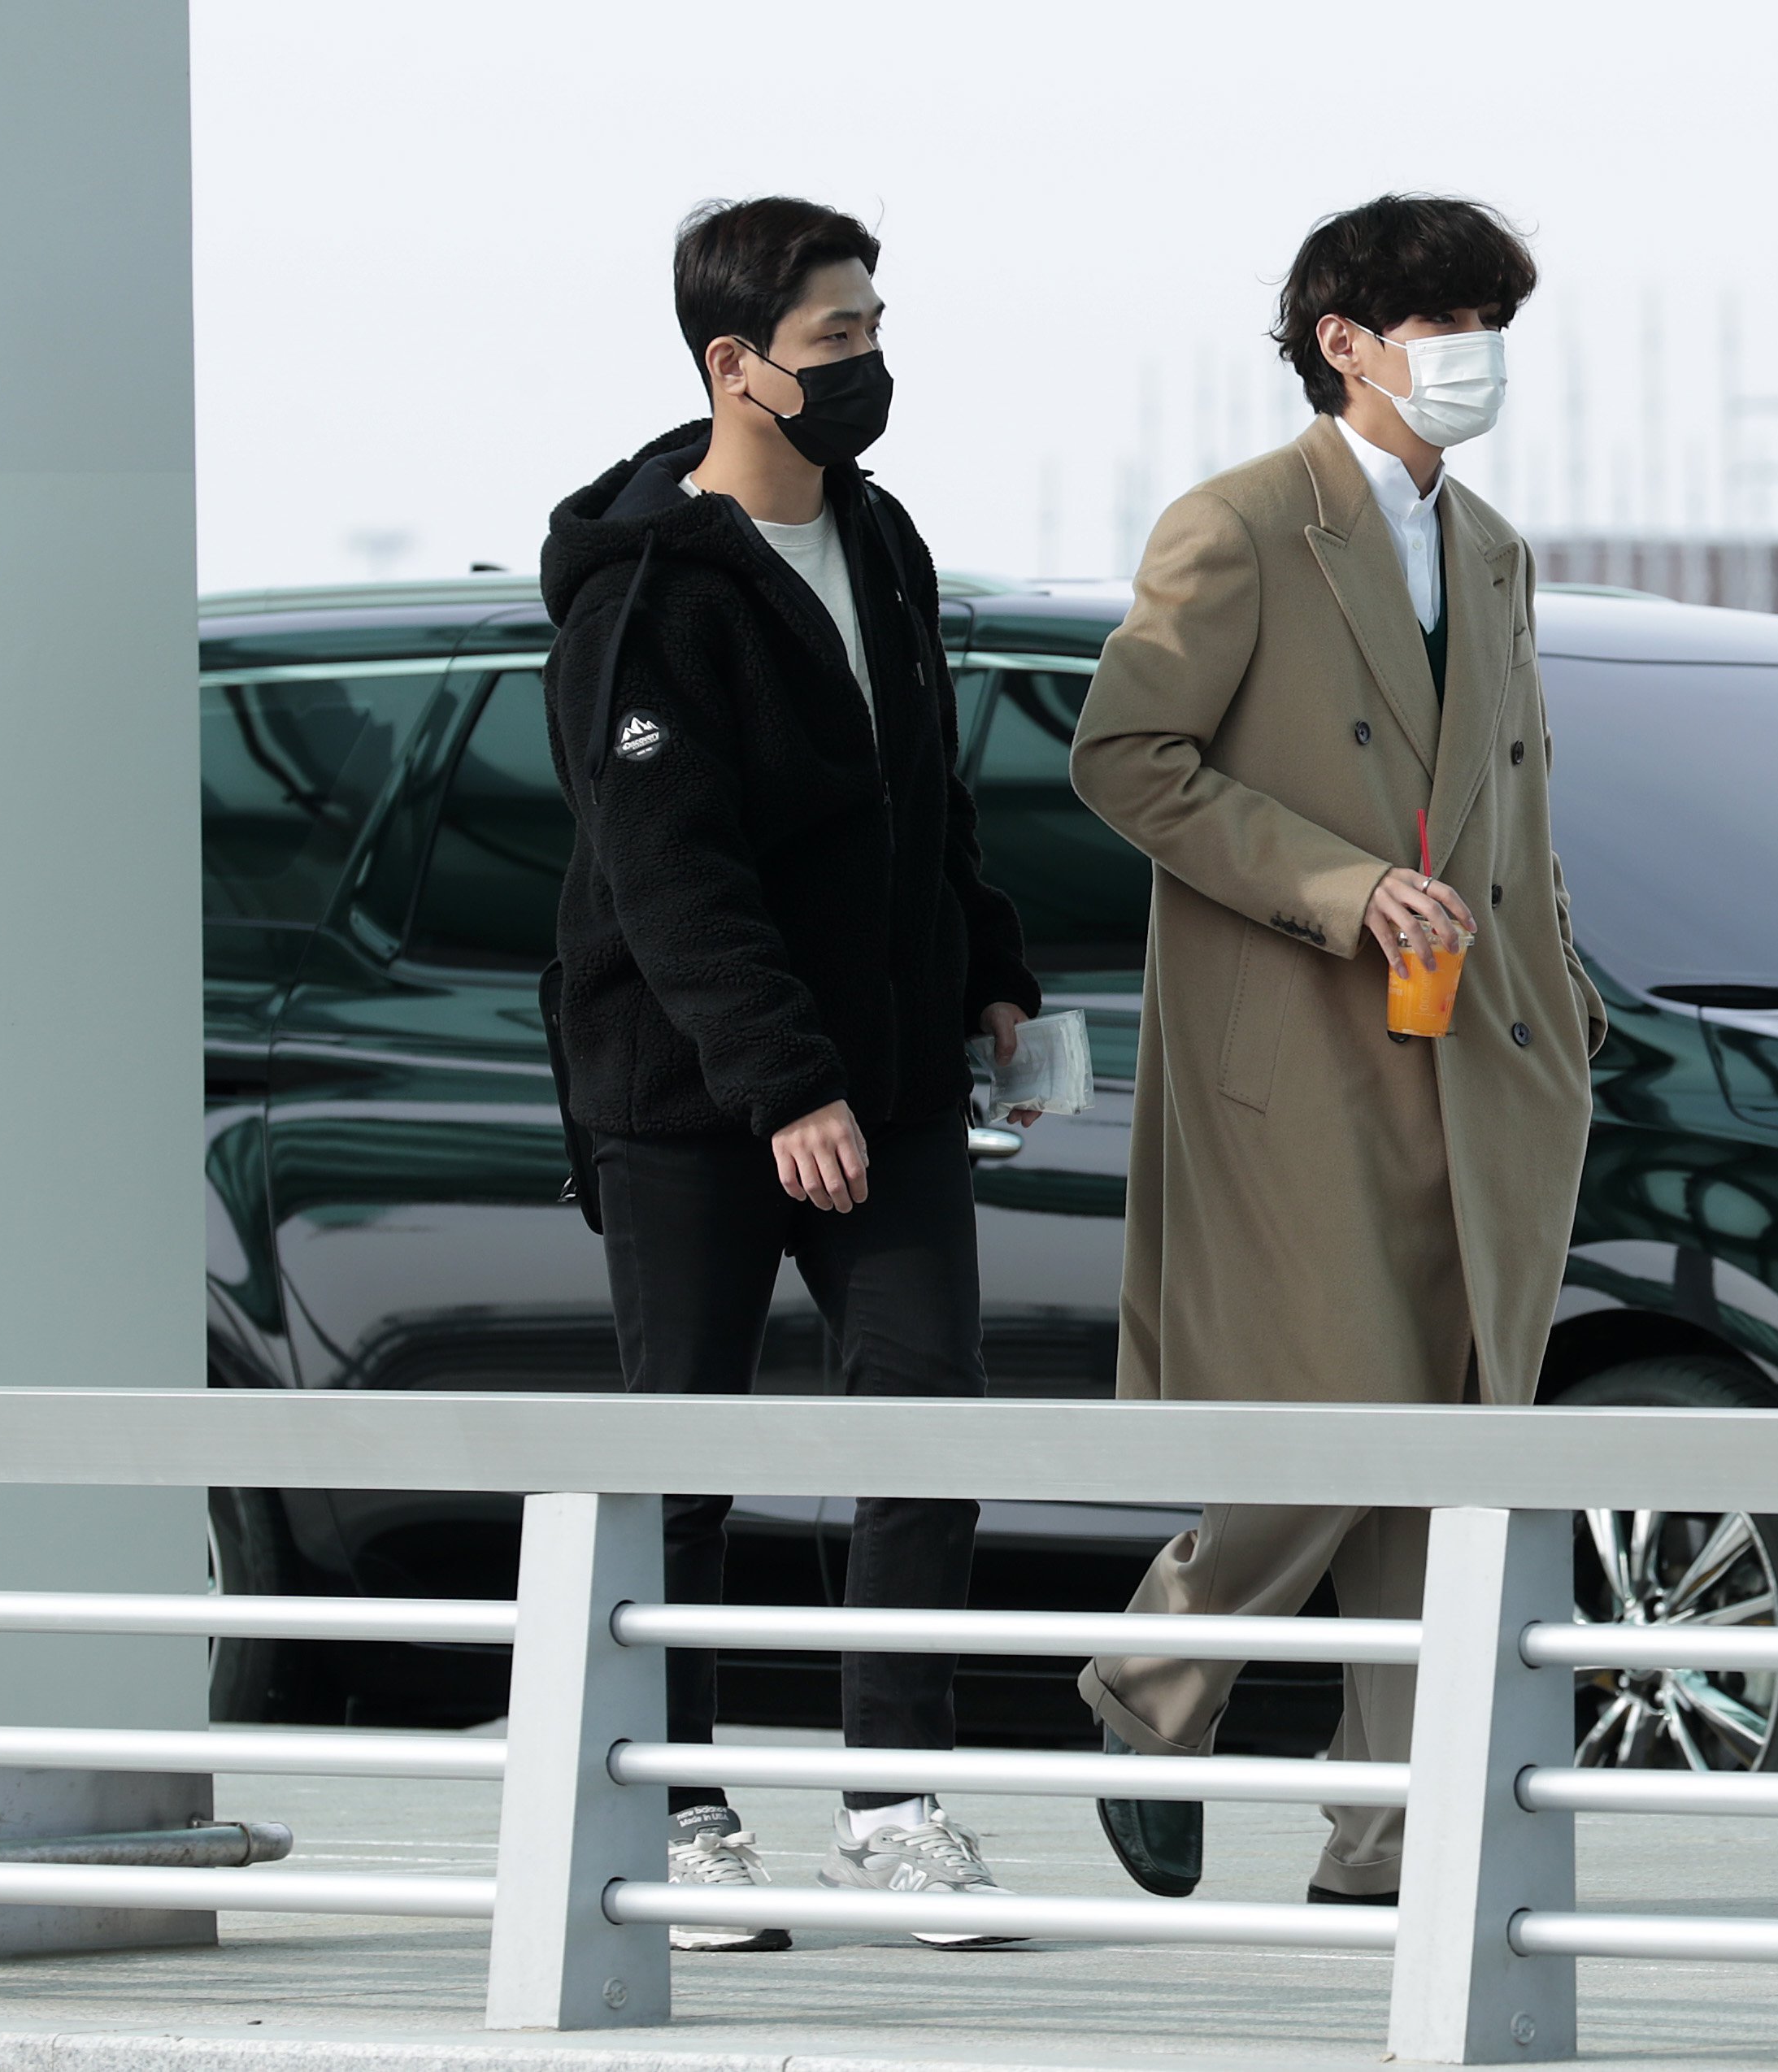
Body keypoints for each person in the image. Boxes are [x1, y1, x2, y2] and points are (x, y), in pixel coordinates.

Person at [1067, 194, 1605, 1905]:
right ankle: (1150, 1695)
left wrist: (1560, 1006)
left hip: (1483, 1052)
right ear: (1343, 345)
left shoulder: (1494, 547)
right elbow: (1124, 755)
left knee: (1451, 1441)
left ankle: (1390, 1835)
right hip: (1297, 1050)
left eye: (1491, 321)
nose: (1477, 357)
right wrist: (1339, 882)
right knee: (1346, 1408)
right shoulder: (1235, 527)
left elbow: (1514, 804)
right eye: (1443, 323)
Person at [537, 196, 1040, 1950]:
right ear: (731, 365)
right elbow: (671, 869)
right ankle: (676, 1818)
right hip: (689, 1093)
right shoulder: (644, 590)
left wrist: (987, 975)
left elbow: (924, 798)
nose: (868, 362)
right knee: (687, 1455)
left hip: (888, 1077)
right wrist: (782, 1084)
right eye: (835, 340)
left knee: (917, 1419)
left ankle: (896, 1809)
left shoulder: (880, 540)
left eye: (873, 326)